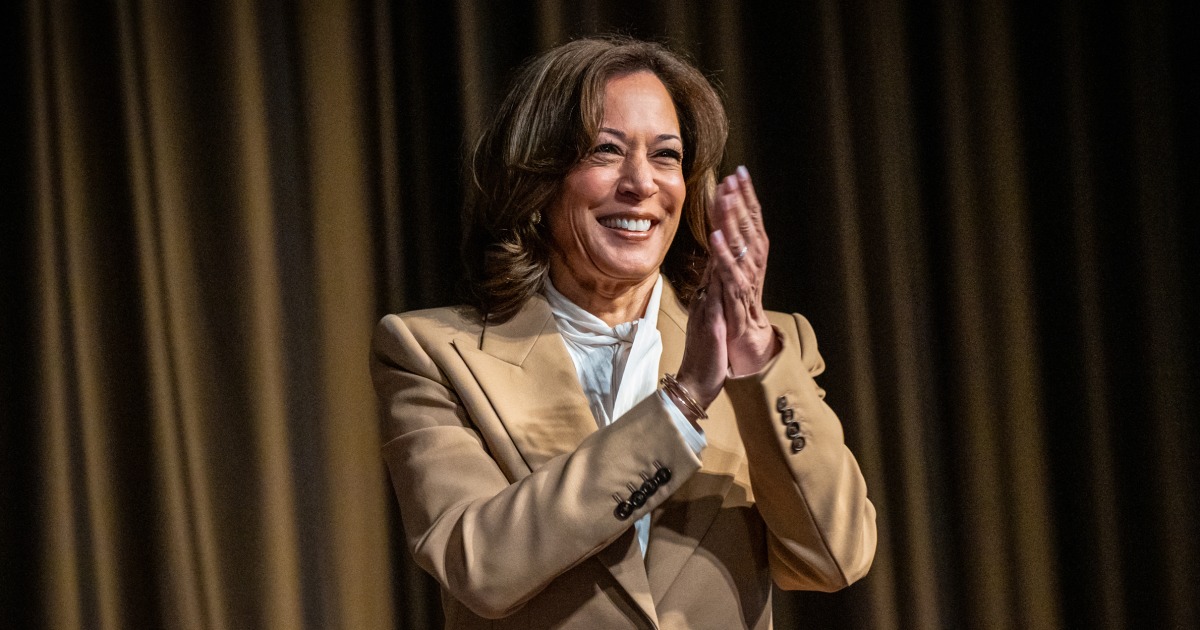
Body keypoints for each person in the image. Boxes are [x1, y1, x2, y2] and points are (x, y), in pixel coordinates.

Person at [370, 36, 876, 629]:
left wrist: (758, 360)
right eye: (606, 151)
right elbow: (479, 565)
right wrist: (683, 401)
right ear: (539, 177)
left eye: (666, 156)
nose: (641, 183)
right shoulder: (432, 353)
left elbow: (835, 559)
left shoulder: (772, 353)